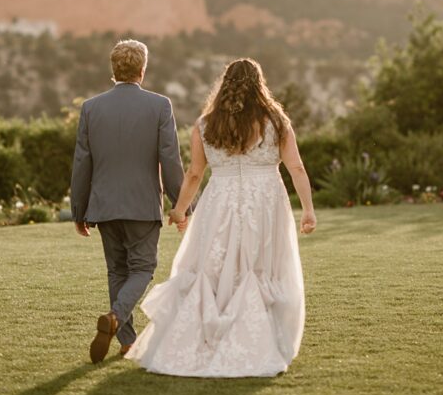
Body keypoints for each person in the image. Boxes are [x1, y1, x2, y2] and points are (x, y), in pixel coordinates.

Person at [125, 57, 317, 377]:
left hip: (220, 200)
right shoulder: (276, 121)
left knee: (214, 269)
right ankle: (260, 340)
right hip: (265, 201)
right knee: (260, 266)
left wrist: (180, 208)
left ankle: (206, 337)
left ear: (224, 84)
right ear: (259, 83)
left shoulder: (206, 123)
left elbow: (195, 174)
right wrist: (308, 209)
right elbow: (296, 167)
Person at [69, 38, 187, 363]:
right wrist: (182, 205)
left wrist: (78, 211)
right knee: (144, 268)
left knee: (117, 271)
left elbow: (82, 163)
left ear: (113, 69)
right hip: (142, 204)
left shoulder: (91, 108)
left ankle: (127, 343)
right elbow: (170, 158)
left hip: (104, 206)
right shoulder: (160, 105)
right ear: (142, 70)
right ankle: (116, 318)